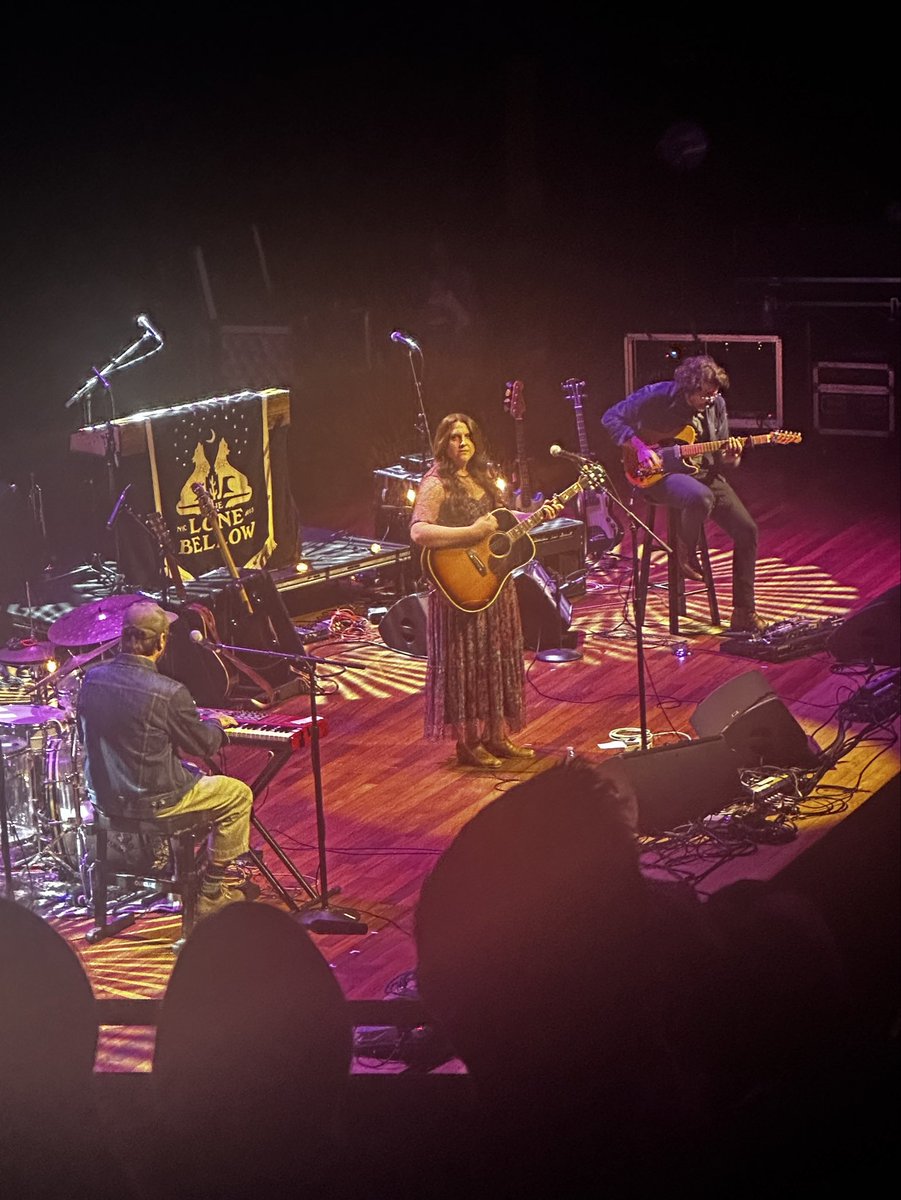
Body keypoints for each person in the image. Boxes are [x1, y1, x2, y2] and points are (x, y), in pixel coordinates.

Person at [76, 599, 255, 918]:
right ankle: (210, 891)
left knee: (189, 772)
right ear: (161, 641)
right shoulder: (169, 692)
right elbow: (202, 744)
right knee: (237, 794)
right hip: (156, 803)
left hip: (104, 799)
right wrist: (215, 723)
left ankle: (177, 870)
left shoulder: (92, 680)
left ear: (122, 638)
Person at [409, 412, 561, 768]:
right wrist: (471, 533)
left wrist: (539, 514)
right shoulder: (436, 483)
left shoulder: (483, 476)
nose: (461, 443)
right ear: (442, 444)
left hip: (494, 583)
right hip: (459, 589)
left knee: (495, 659)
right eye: (453, 437)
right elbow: (419, 532)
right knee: (466, 664)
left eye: (466, 436)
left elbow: (502, 525)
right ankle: (468, 743)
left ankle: (497, 735)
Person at [601, 353, 767, 634]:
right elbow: (610, 417)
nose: (710, 401)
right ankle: (684, 553)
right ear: (688, 389)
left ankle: (743, 612)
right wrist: (640, 447)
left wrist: (732, 457)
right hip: (658, 474)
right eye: (704, 395)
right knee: (700, 498)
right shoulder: (657, 396)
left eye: (714, 395)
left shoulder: (717, 405)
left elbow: (721, 457)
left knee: (747, 530)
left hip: (702, 473)